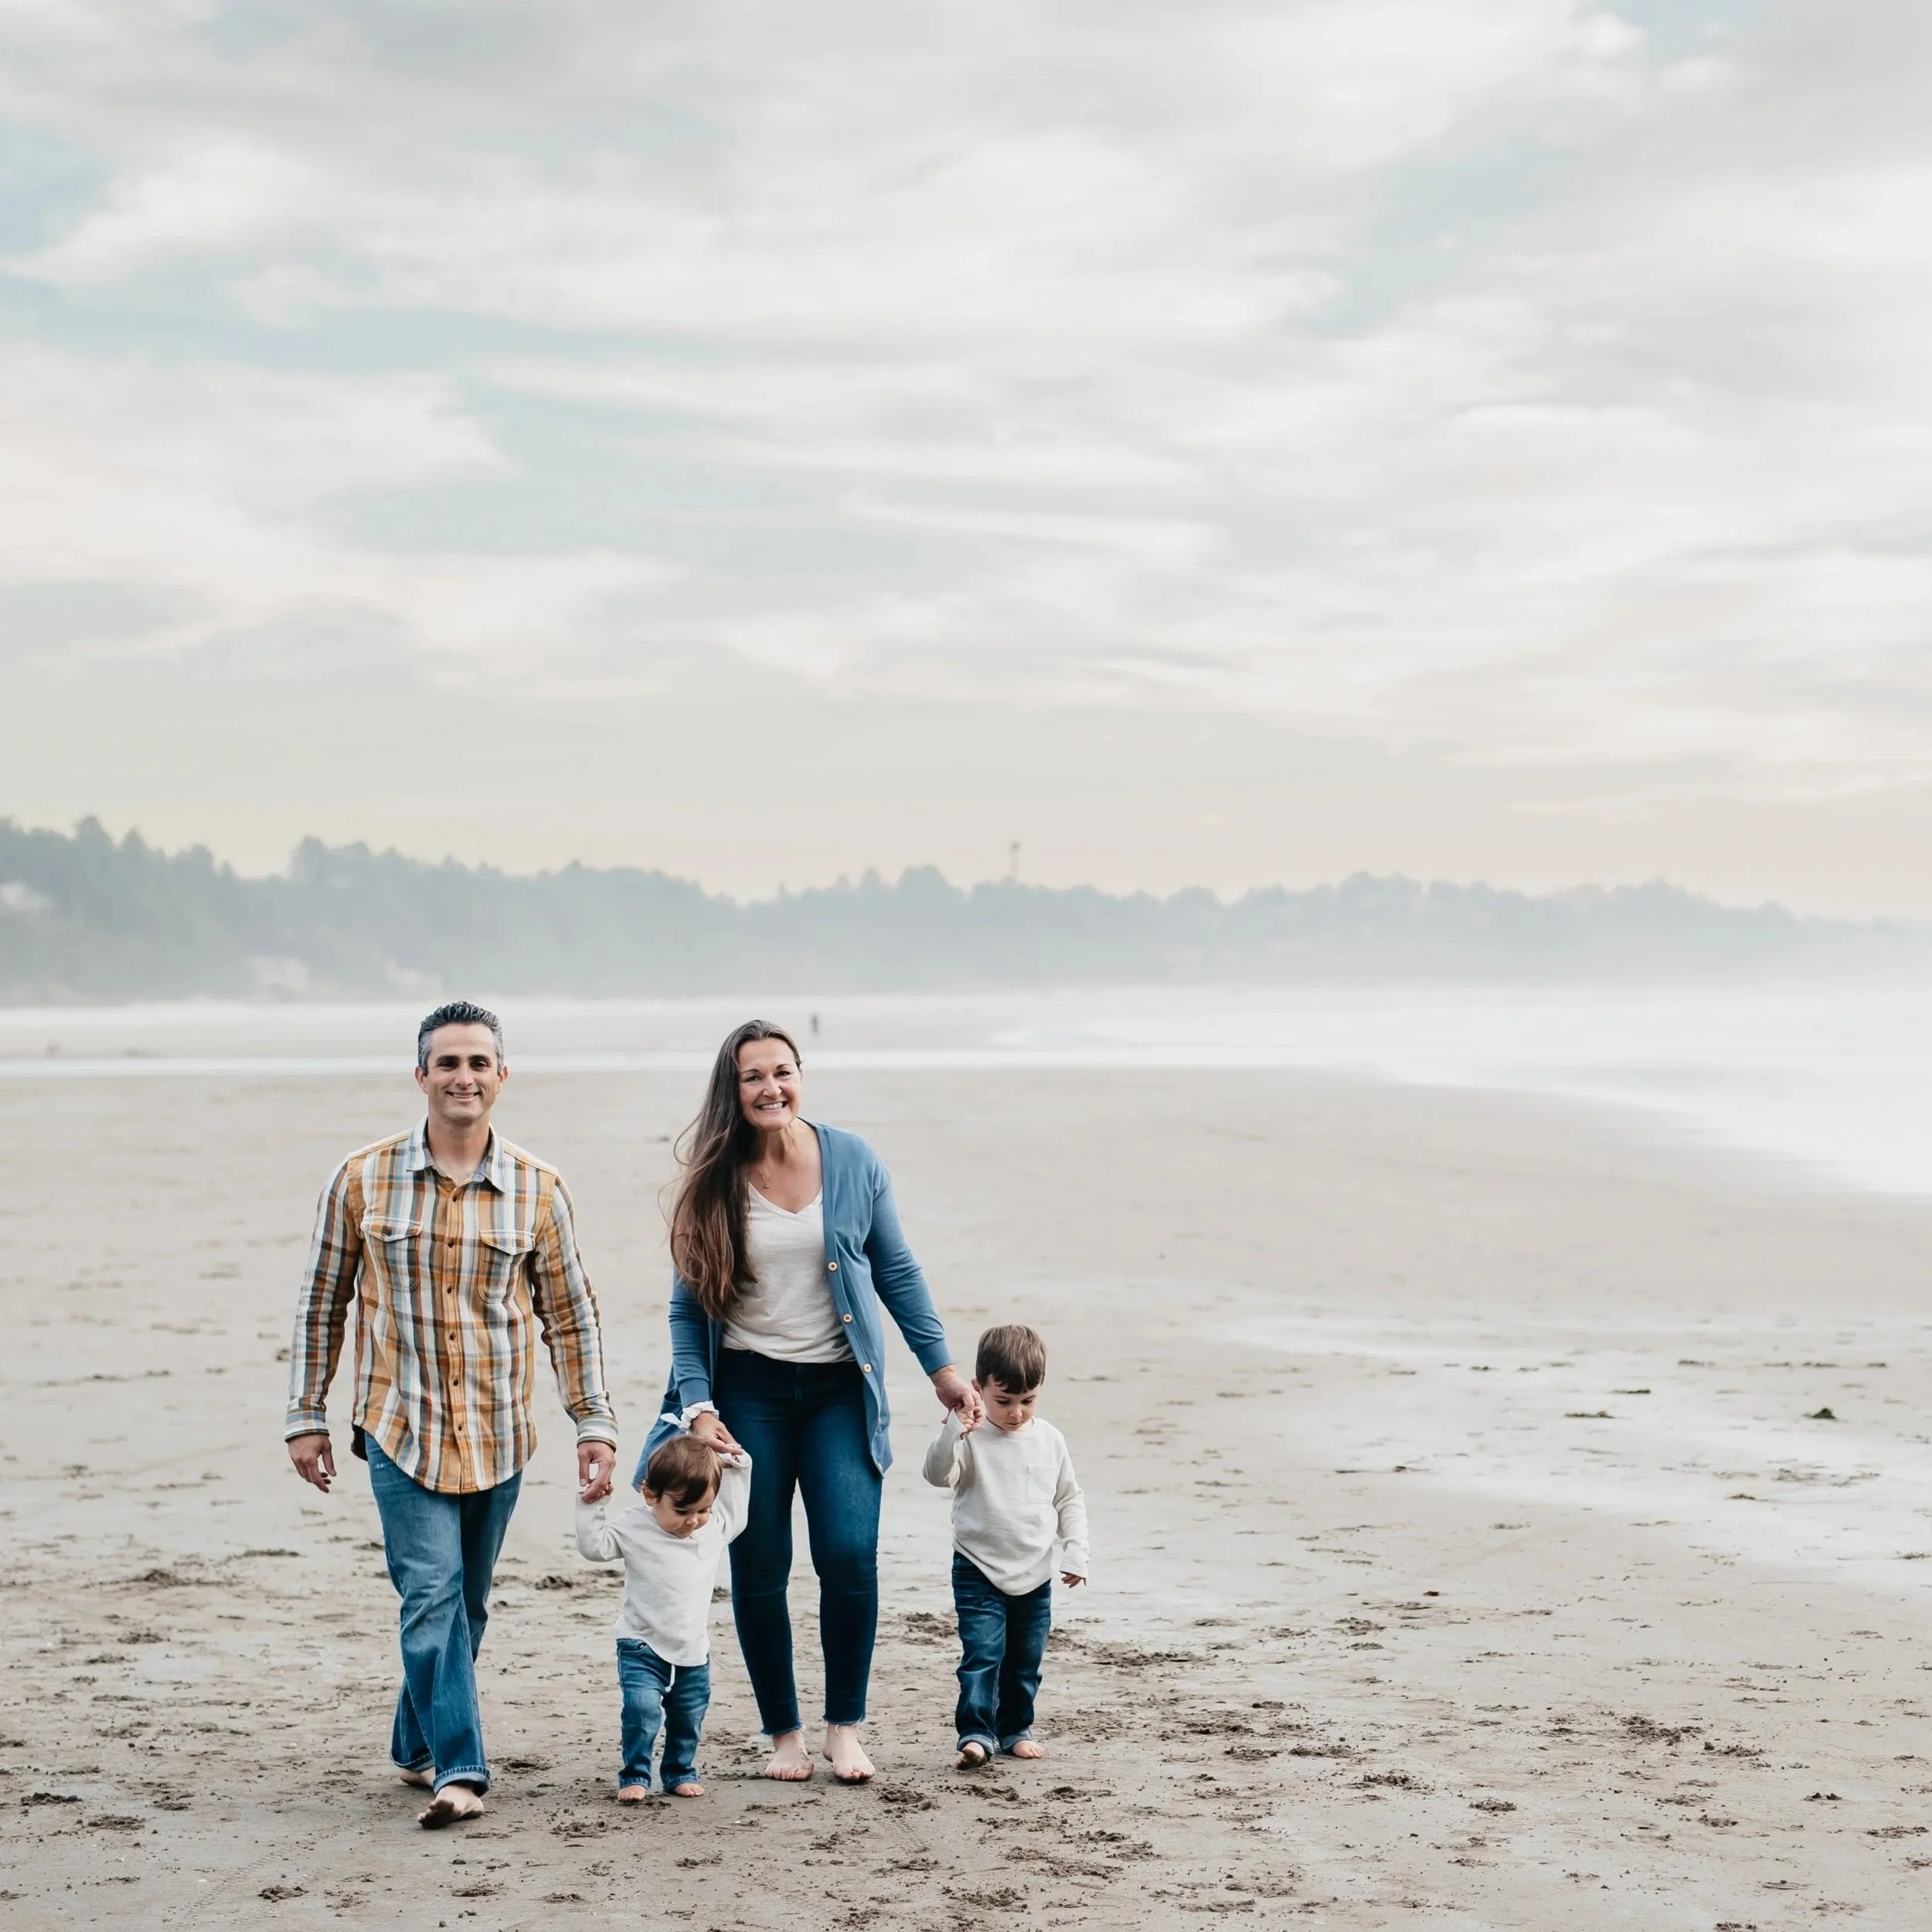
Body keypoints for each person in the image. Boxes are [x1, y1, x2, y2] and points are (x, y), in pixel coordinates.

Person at [284, 1000, 619, 1828]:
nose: (462, 1077)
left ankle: (413, 1740)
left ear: (501, 1076)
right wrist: (306, 1413)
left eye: (478, 1063)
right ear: (422, 1074)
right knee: (429, 1594)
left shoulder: (539, 1189)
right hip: (398, 1424)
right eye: (447, 1063)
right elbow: (321, 1302)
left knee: (466, 1605)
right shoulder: (362, 1177)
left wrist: (594, 1422)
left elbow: (570, 1316)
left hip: (500, 1431)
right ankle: (460, 1768)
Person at [644, 1019, 985, 1784]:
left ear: (802, 1076)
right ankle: (784, 1736)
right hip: (748, 1391)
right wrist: (698, 1404)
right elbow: (686, 1307)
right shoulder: (713, 1178)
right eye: (753, 1076)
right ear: (731, 1091)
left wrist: (943, 1369)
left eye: (783, 1070)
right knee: (759, 1563)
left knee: (846, 1554)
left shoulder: (853, 1159)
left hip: (839, 1390)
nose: (772, 1087)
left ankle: (843, 1729)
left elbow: (895, 1268)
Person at [922, 1323, 1088, 1769]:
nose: (1016, 1413)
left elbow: (1068, 1498)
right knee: (982, 1653)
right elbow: (937, 1475)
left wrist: (1076, 1552)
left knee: (1025, 1659)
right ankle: (976, 1732)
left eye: (1027, 1401)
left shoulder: (1050, 1440)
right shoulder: (970, 1434)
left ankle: (1015, 1728)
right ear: (979, 1388)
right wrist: (952, 1430)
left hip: (1035, 1571)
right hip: (978, 1566)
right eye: (1004, 1401)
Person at [575, 1432, 752, 1801]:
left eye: (702, 1510)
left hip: (692, 1649)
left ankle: (679, 1771)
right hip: (641, 1642)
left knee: (688, 1718)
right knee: (640, 1713)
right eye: (682, 1511)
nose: (693, 1521)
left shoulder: (714, 1528)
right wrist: (592, 1504)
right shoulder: (634, 1525)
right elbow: (594, 1548)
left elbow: (736, 1512)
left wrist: (738, 1464)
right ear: (650, 1495)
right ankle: (635, 1776)